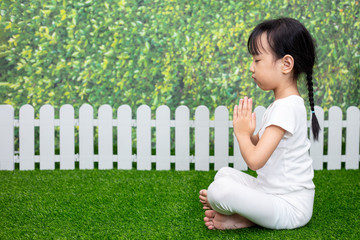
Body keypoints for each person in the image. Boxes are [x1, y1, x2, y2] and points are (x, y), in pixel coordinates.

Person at [199, 17, 321, 230]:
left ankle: (244, 218)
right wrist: (252, 134)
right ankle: (246, 214)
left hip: (290, 206)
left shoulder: (286, 108)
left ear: (286, 64)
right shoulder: (282, 104)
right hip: (269, 192)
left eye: (257, 60)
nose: (251, 68)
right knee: (223, 175)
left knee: (220, 191)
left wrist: (242, 134)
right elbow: (267, 147)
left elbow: (255, 161)